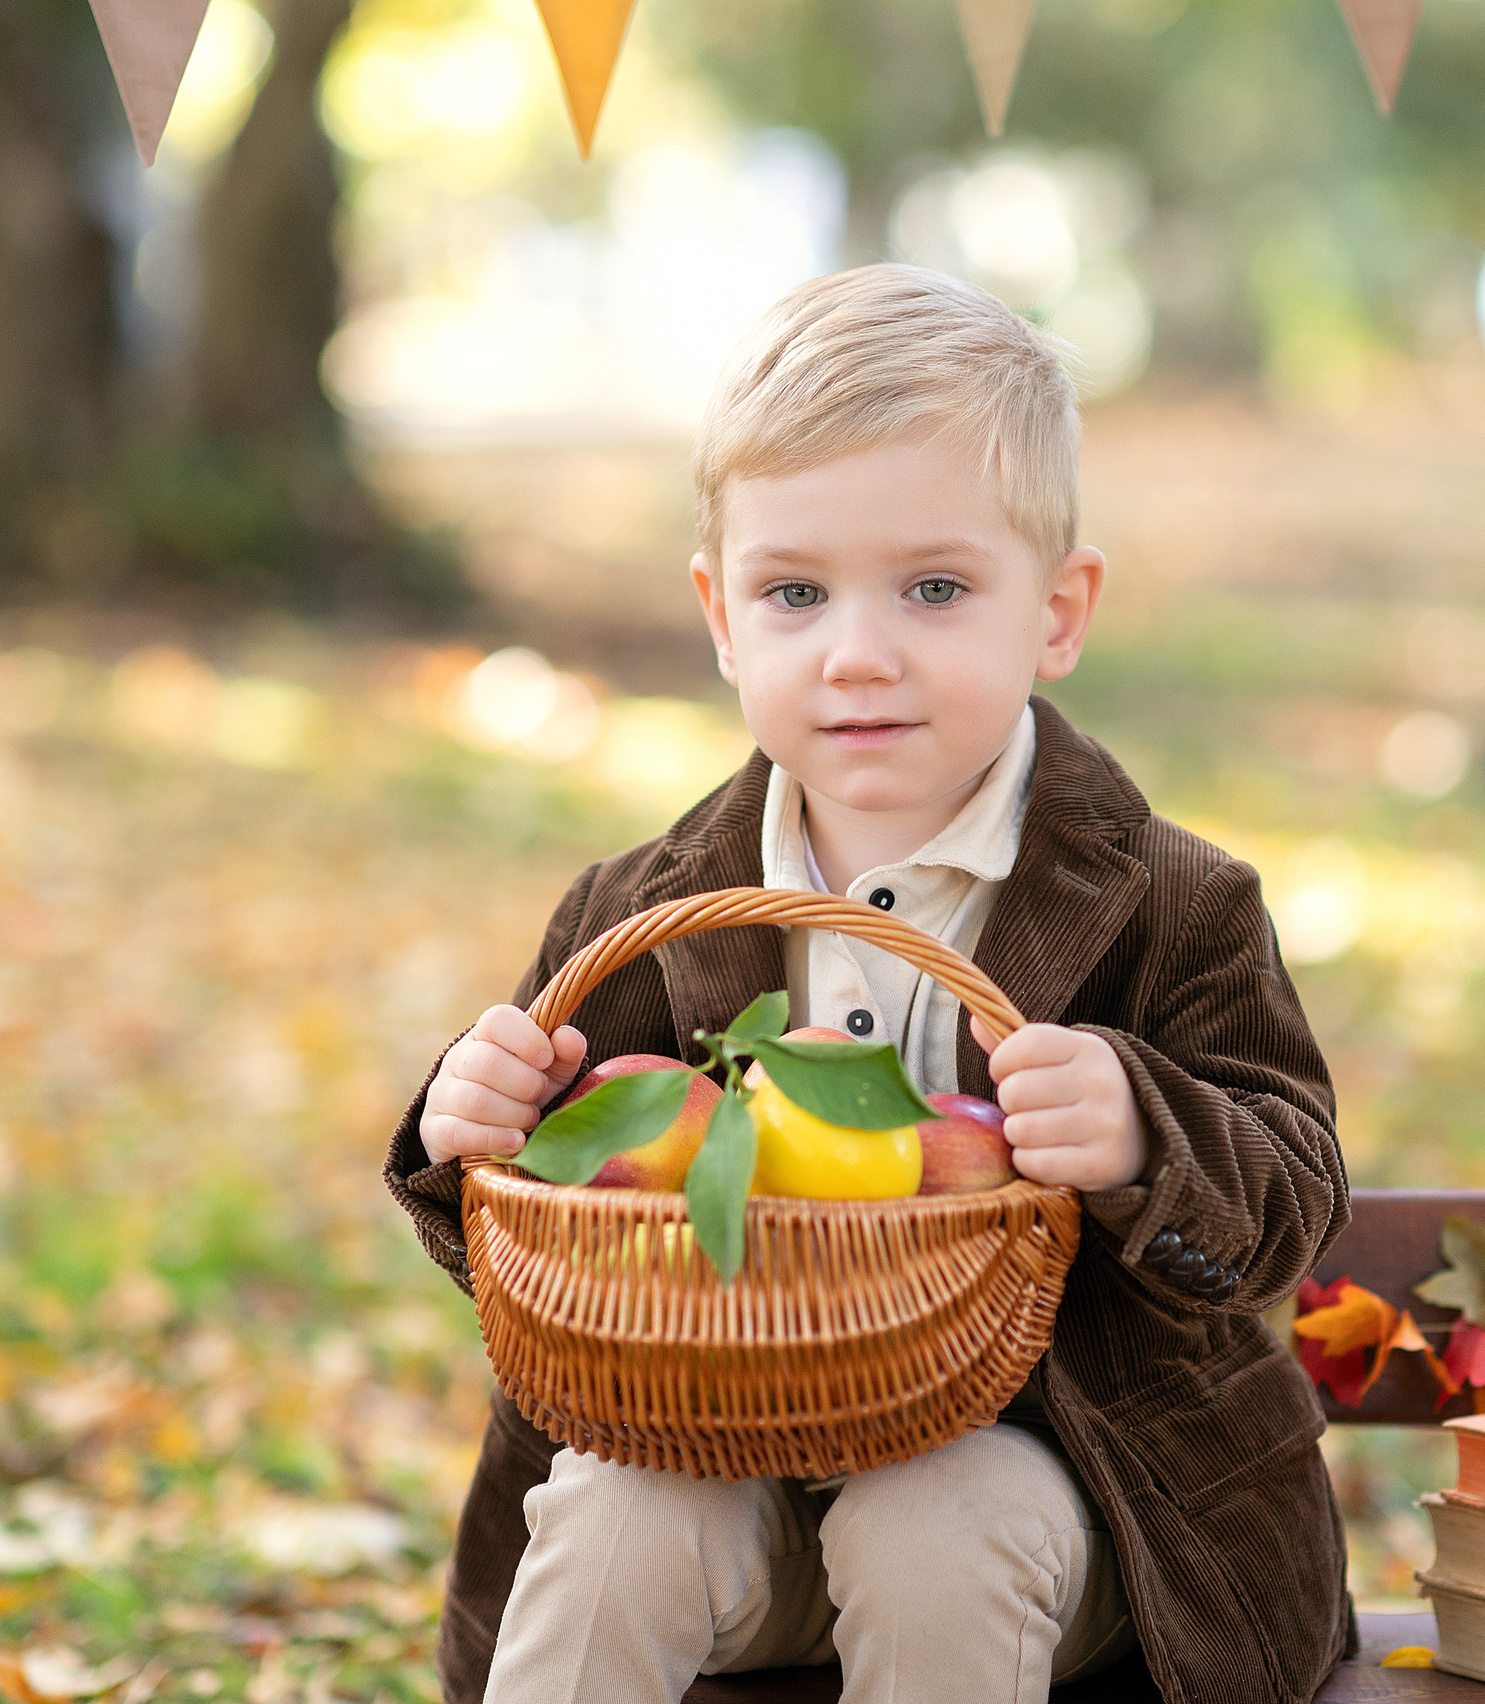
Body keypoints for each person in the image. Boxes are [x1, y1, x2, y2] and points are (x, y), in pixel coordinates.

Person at [382, 263, 1352, 1704]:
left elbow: (1291, 1203)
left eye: (937, 588)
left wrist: (1150, 1136)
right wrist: (474, 1133)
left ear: (1059, 611)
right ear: (723, 618)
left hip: (1072, 1496)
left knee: (933, 1521)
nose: (858, 653)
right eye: (795, 593)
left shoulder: (1171, 904)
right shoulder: (642, 917)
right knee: (614, 1512)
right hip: (728, 1457)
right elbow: (541, 1251)